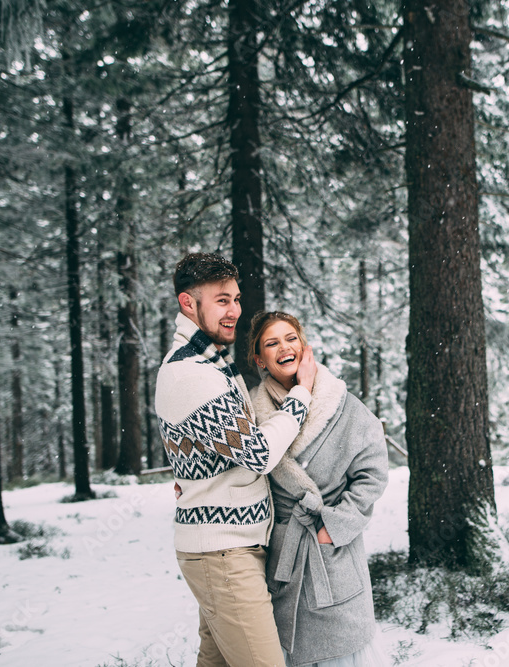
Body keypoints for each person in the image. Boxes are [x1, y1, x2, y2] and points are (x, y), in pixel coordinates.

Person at [155, 254, 316, 667]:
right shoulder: (191, 372)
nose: (235, 312)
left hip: (229, 548)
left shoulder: (213, 363)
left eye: (237, 299)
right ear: (188, 304)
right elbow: (259, 453)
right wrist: (302, 395)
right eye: (222, 300)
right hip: (223, 554)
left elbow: (211, 445)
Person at [248, 310, 389, 667]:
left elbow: (372, 473)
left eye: (291, 338)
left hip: (332, 550)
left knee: (341, 648)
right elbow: (236, 467)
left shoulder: (341, 404)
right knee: (285, 650)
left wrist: (333, 526)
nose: (284, 347)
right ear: (259, 359)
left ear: (304, 345)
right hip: (283, 552)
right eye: (272, 343)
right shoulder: (249, 411)